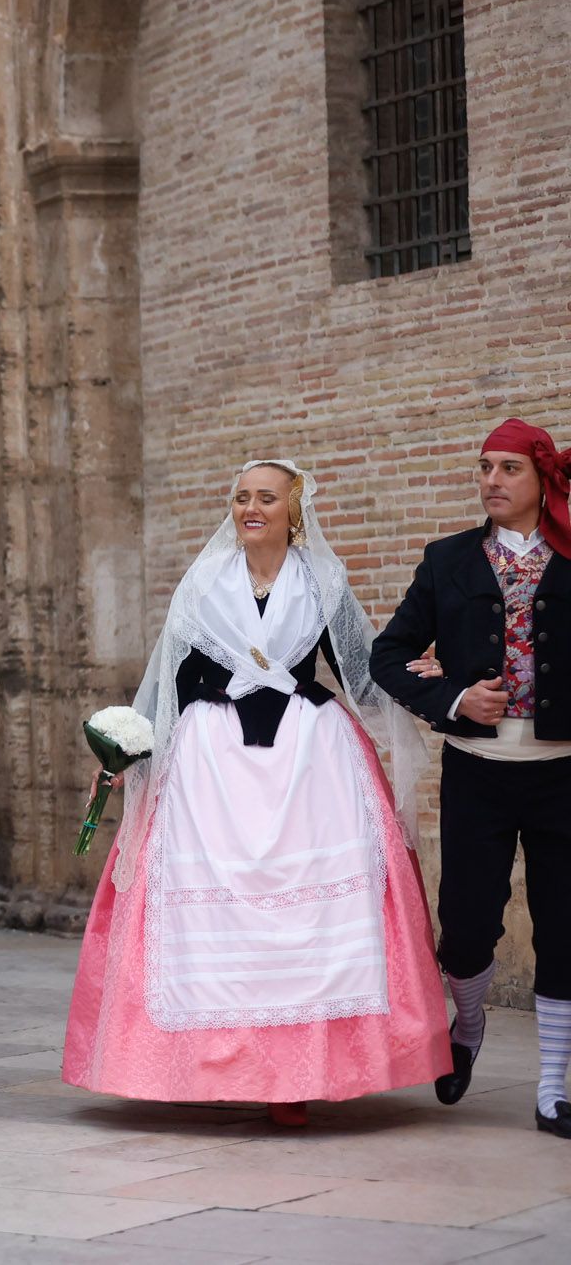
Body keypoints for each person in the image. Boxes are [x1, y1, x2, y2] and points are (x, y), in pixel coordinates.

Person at [64, 460, 448, 1126]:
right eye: (241, 496)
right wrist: (127, 754)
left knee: (308, 914)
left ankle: (294, 1079)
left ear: (293, 508)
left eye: (265, 498)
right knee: (210, 911)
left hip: (310, 758)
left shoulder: (322, 580)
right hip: (210, 760)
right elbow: (169, 683)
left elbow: (363, 671)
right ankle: (207, 1064)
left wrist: (435, 683)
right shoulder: (203, 582)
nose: (250, 507)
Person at [372, 419, 571, 1139]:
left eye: (509, 468)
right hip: (477, 774)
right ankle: (470, 1022)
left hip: (564, 779)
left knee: (566, 928)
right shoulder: (448, 558)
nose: (491, 479)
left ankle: (553, 1090)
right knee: (464, 926)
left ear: (542, 479)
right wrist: (454, 697)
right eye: (485, 466)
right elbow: (387, 655)